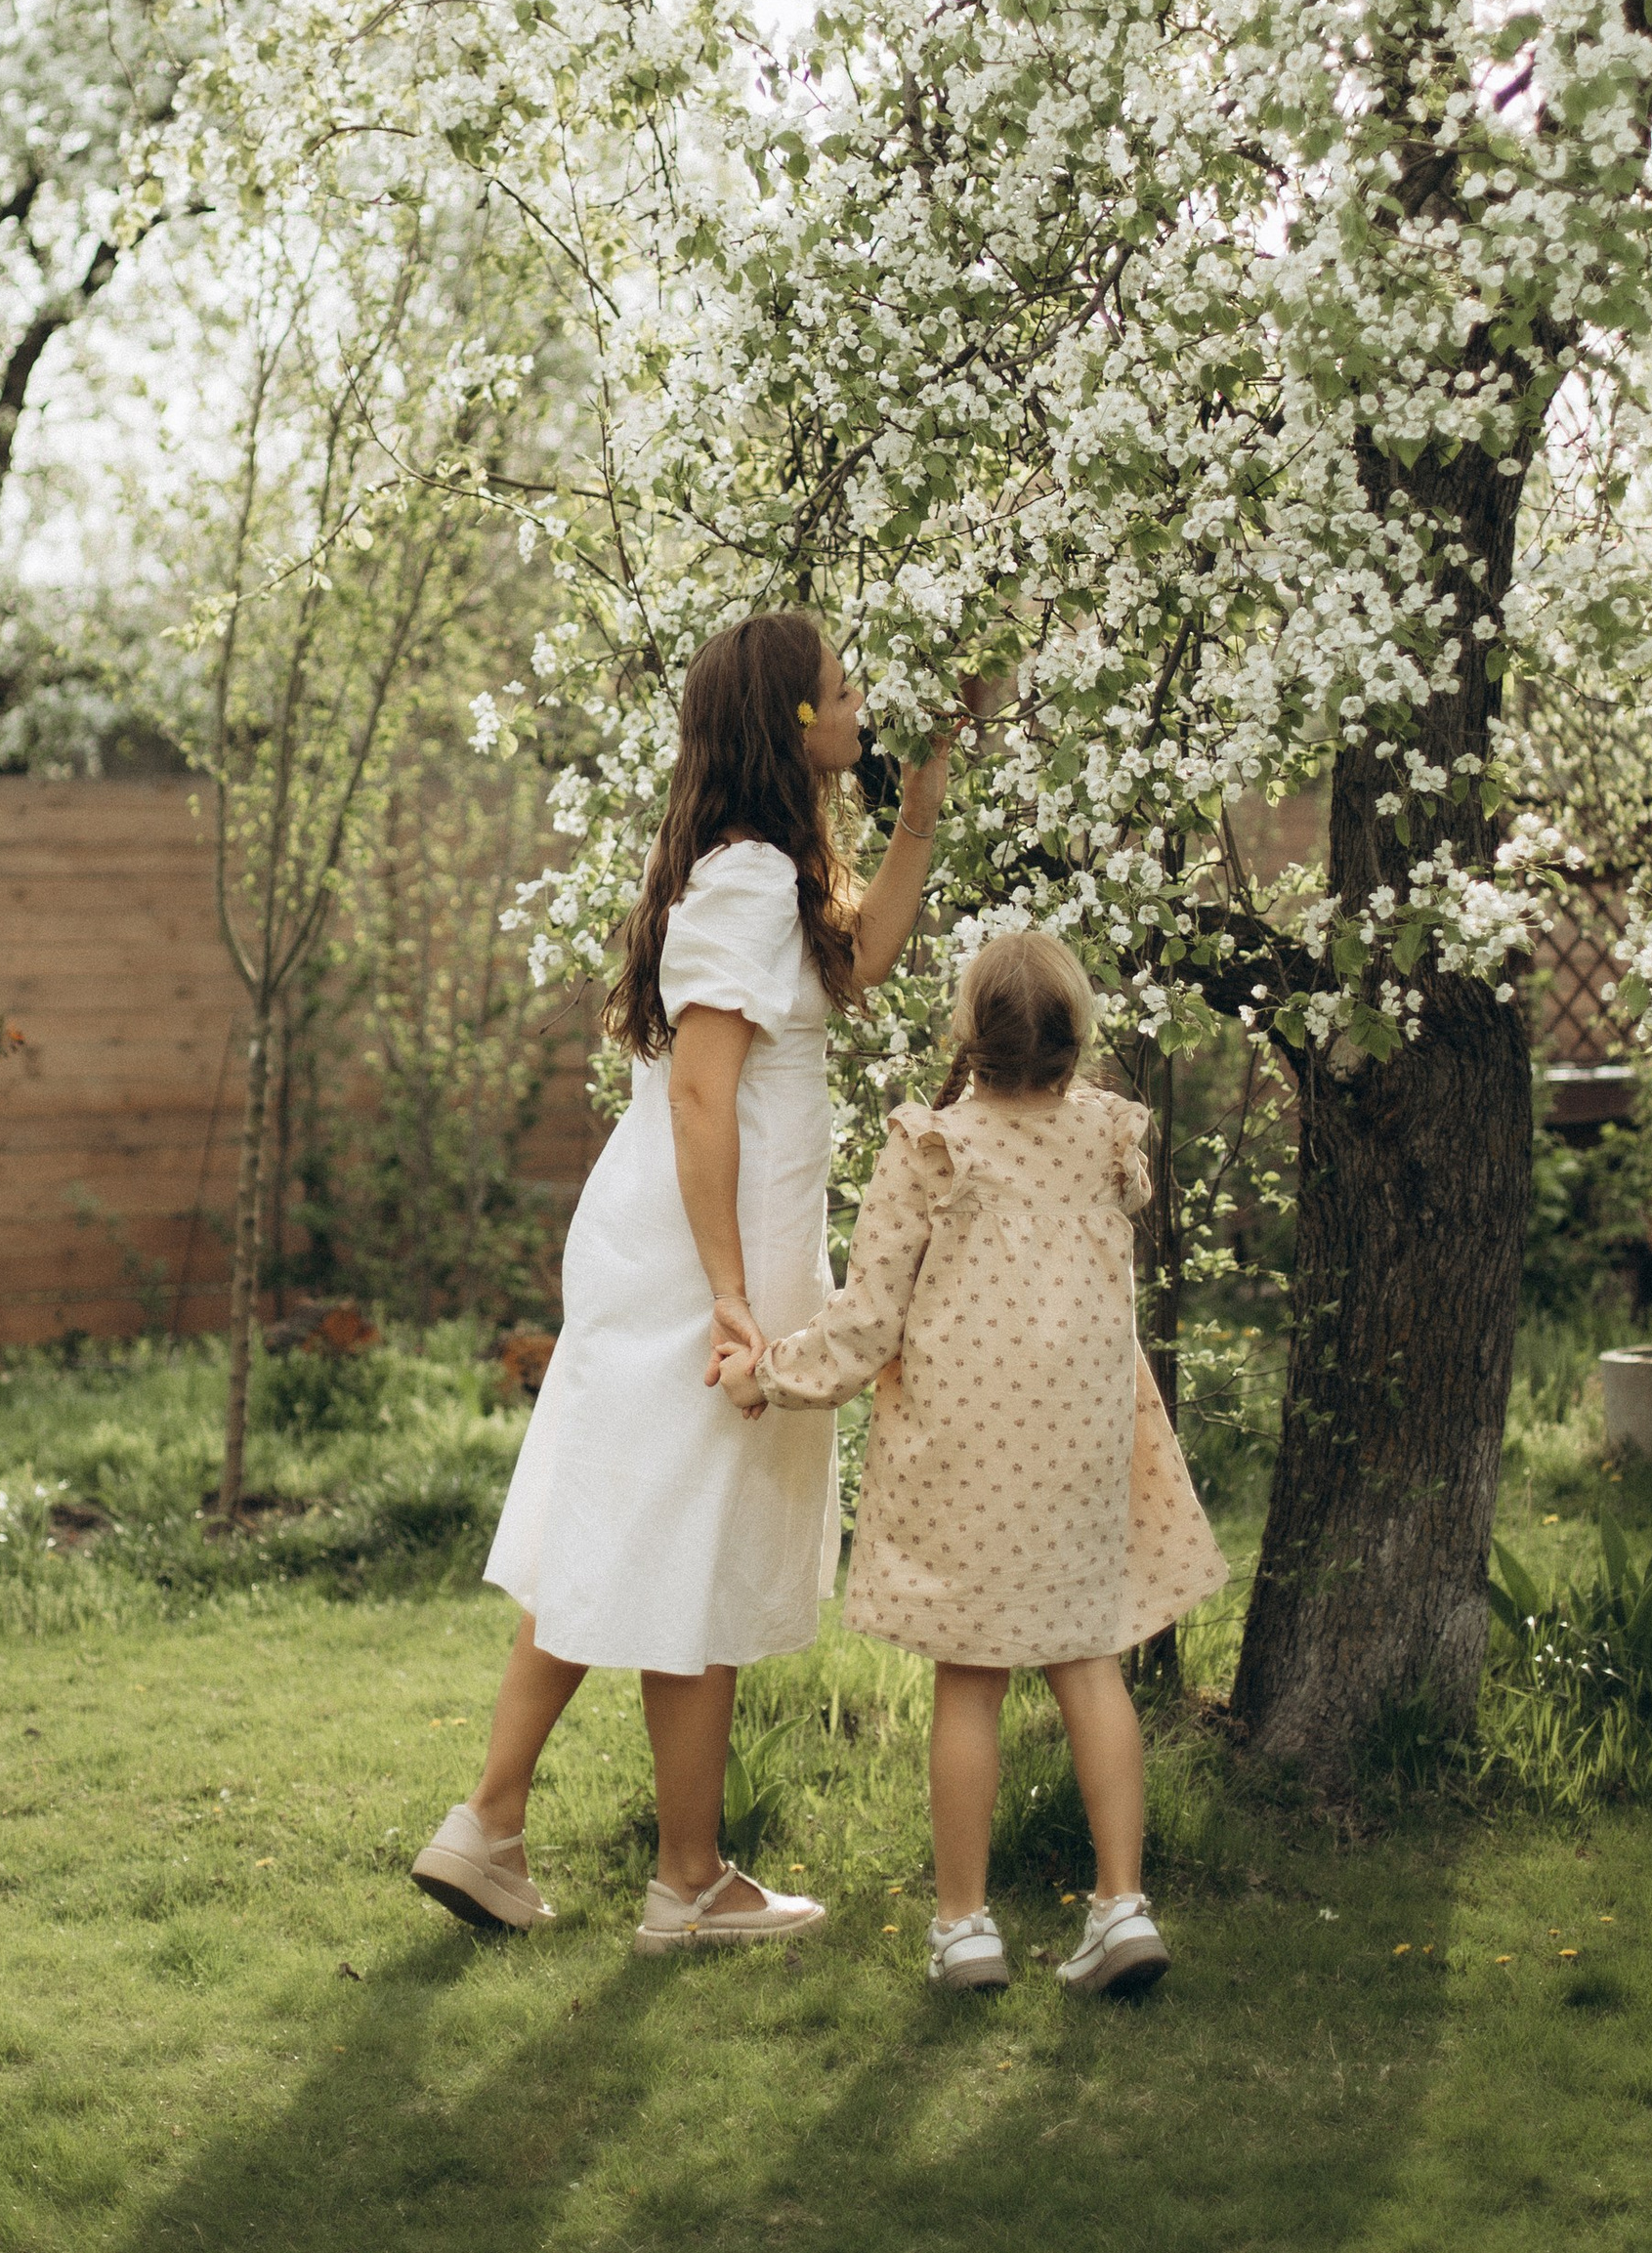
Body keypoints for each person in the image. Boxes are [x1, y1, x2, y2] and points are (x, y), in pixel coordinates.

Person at [408, 607, 954, 1955]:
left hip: (699, 1252)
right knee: (678, 1545)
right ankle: (683, 1881)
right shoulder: (748, 878)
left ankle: (498, 1829)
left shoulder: (761, 876)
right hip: (698, 1264)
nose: (860, 699)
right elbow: (703, 1095)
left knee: (630, 1533)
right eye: (843, 685)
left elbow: (860, 958)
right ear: (788, 721)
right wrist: (730, 1292)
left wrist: (922, 815)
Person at [715, 928, 1227, 1998]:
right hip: (1080, 1443)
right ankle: (1121, 1905)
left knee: (971, 1675)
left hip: (967, 1446)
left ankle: (962, 1926)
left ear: (967, 1035)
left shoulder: (933, 1148)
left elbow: (867, 1322)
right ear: (1075, 1035)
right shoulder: (1109, 1139)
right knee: (1089, 1660)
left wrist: (766, 1371)